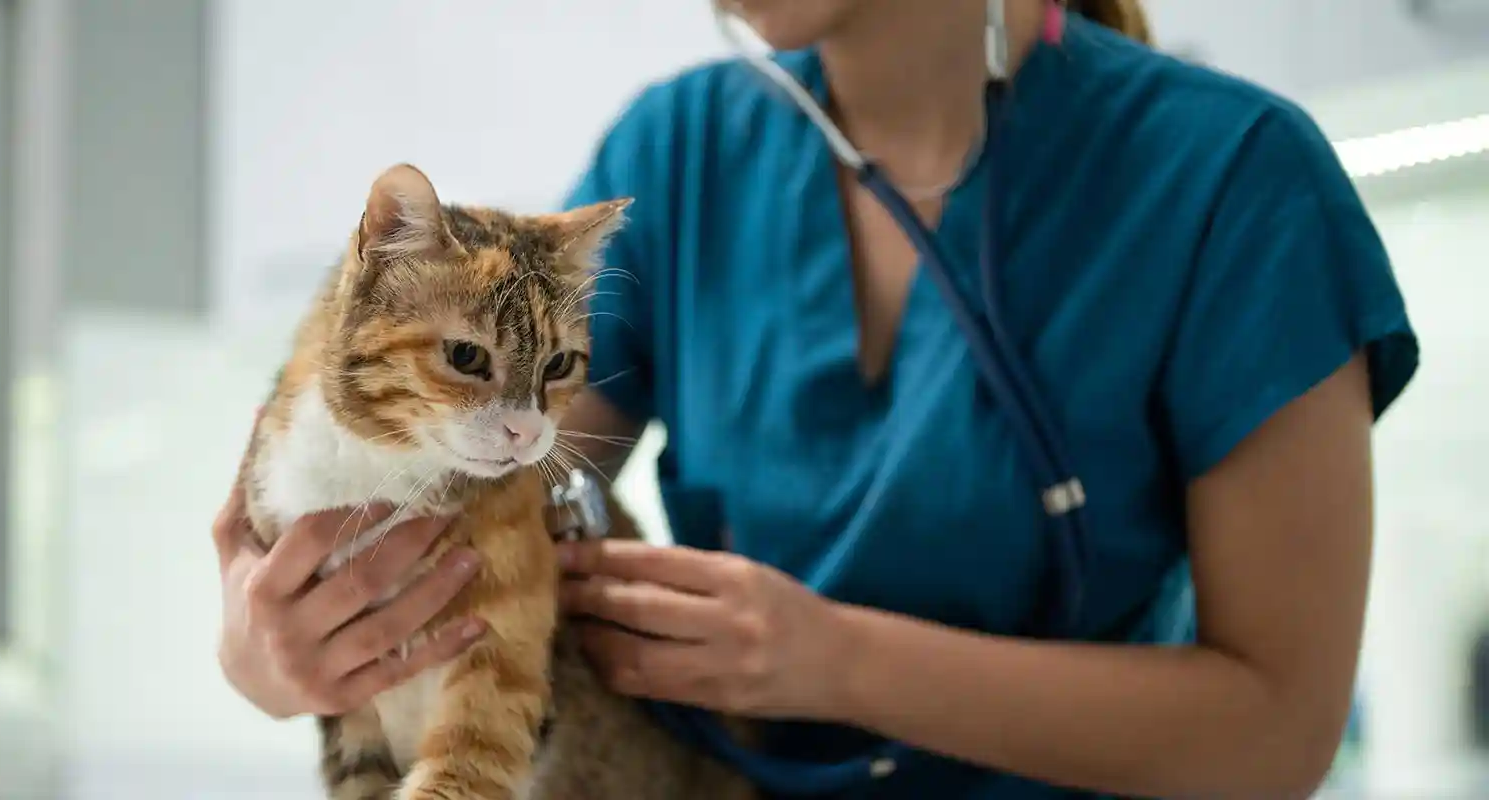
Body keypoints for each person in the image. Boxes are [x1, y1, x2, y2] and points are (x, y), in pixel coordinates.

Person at [213, 0, 1422, 797]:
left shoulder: (1235, 180)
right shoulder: (680, 147)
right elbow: (480, 480)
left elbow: (1278, 731)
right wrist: (274, 648)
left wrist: (832, 661)